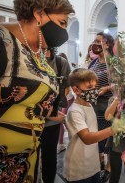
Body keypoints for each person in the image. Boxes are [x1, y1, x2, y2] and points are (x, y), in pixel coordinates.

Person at [0, 0, 74, 182]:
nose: (64, 31)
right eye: (62, 22)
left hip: (28, 160)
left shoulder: (38, 55)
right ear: (39, 14)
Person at [63, 68, 113, 182]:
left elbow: (94, 131)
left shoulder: (89, 105)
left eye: (95, 87)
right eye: (89, 88)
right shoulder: (75, 111)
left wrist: (99, 153)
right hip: (79, 168)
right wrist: (113, 129)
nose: (94, 91)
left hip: (92, 164)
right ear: (76, 90)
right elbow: (87, 138)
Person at [40, 47, 71, 183]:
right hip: (29, 120)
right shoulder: (27, 57)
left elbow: (66, 87)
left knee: (49, 156)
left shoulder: (60, 63)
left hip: (51, 121)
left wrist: (53, 108)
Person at [88, 32, 115, 182]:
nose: (95, 44)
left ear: (107, 44)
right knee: (96, 136)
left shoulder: (113, 62)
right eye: (94, 41)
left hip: (108, 106)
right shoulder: (93, 63)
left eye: (98, 41)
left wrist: (107, 88)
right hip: (93, 105)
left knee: (108, 138)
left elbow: (121, 83)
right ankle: (99, 164)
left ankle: (109, 168)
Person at [104, 96, 125, 183]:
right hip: (115, 144)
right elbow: (107, 116)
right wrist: (116, 100)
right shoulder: (113, 99)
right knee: (114, 174)